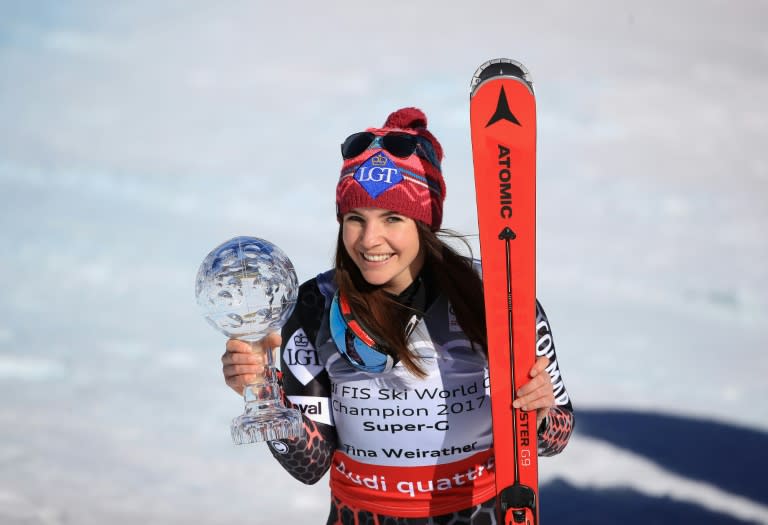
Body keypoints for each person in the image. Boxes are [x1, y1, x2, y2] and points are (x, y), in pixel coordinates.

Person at [222, 107, 574, 524]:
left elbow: (558, 433)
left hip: (475, 512)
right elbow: (309, 465)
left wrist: (539, 415)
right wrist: (263, 389)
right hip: (364, 515)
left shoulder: (496, 294)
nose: (370, 240)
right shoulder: (315, 304)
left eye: (392, 218)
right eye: (355, 219)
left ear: (424, 223)